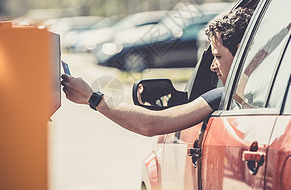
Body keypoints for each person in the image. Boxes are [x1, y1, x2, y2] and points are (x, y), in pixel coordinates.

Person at [61, 7, 253, 136]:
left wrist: (92, 98)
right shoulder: (262, 94)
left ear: (242, 52)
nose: (212, 66)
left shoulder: (225, 97)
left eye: (218, 57)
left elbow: (151, 124)